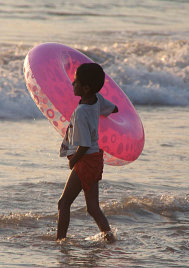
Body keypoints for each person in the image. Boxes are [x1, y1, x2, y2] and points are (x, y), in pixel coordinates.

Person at [57, 63, 118, 241]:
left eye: (76, 82)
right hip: (95, 158)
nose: (72, 84)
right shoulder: (97, 99)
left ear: (86, 88)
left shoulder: (82, 112)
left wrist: (73, 160)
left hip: (85, 158)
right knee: (92, 207)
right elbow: (114, 108)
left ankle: (60, 241)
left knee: (63, 203)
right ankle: (110, 239)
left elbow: (83, 145)